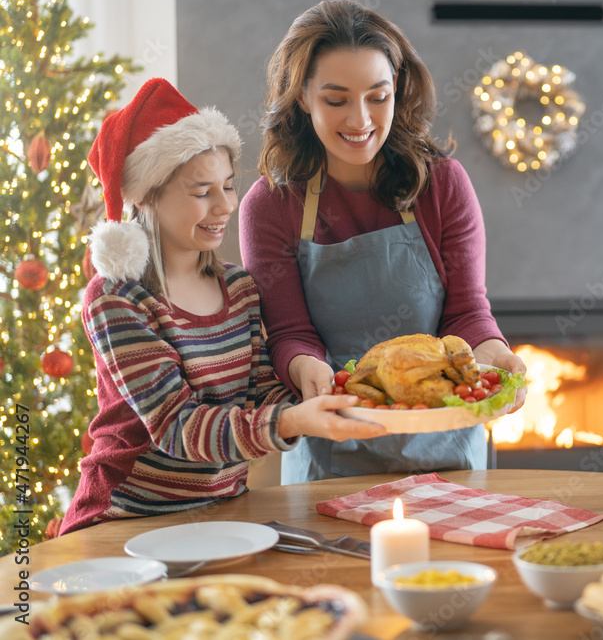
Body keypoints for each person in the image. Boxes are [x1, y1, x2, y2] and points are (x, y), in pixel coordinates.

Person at [61, 78, 385, 534]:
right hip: (125, 520)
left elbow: (258, 392)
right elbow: (177, 427)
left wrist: (323, 394)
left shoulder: (238, 287)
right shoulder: (117, 299)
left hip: (221, 511)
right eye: (202, 192)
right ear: (146, 196)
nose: (226, 206)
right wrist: (293, 419)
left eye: (229, 186)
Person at [239, 0, 526, 483]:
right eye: (337, 100)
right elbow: (290, 331)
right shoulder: (271, 206)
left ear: (398, 91)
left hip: (447, 452)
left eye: (378, 96)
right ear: (302, 97)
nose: (361, 119)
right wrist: (305, 366)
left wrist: (495, 353)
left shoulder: (443, 186)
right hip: (332, 451)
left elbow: (466, 313)